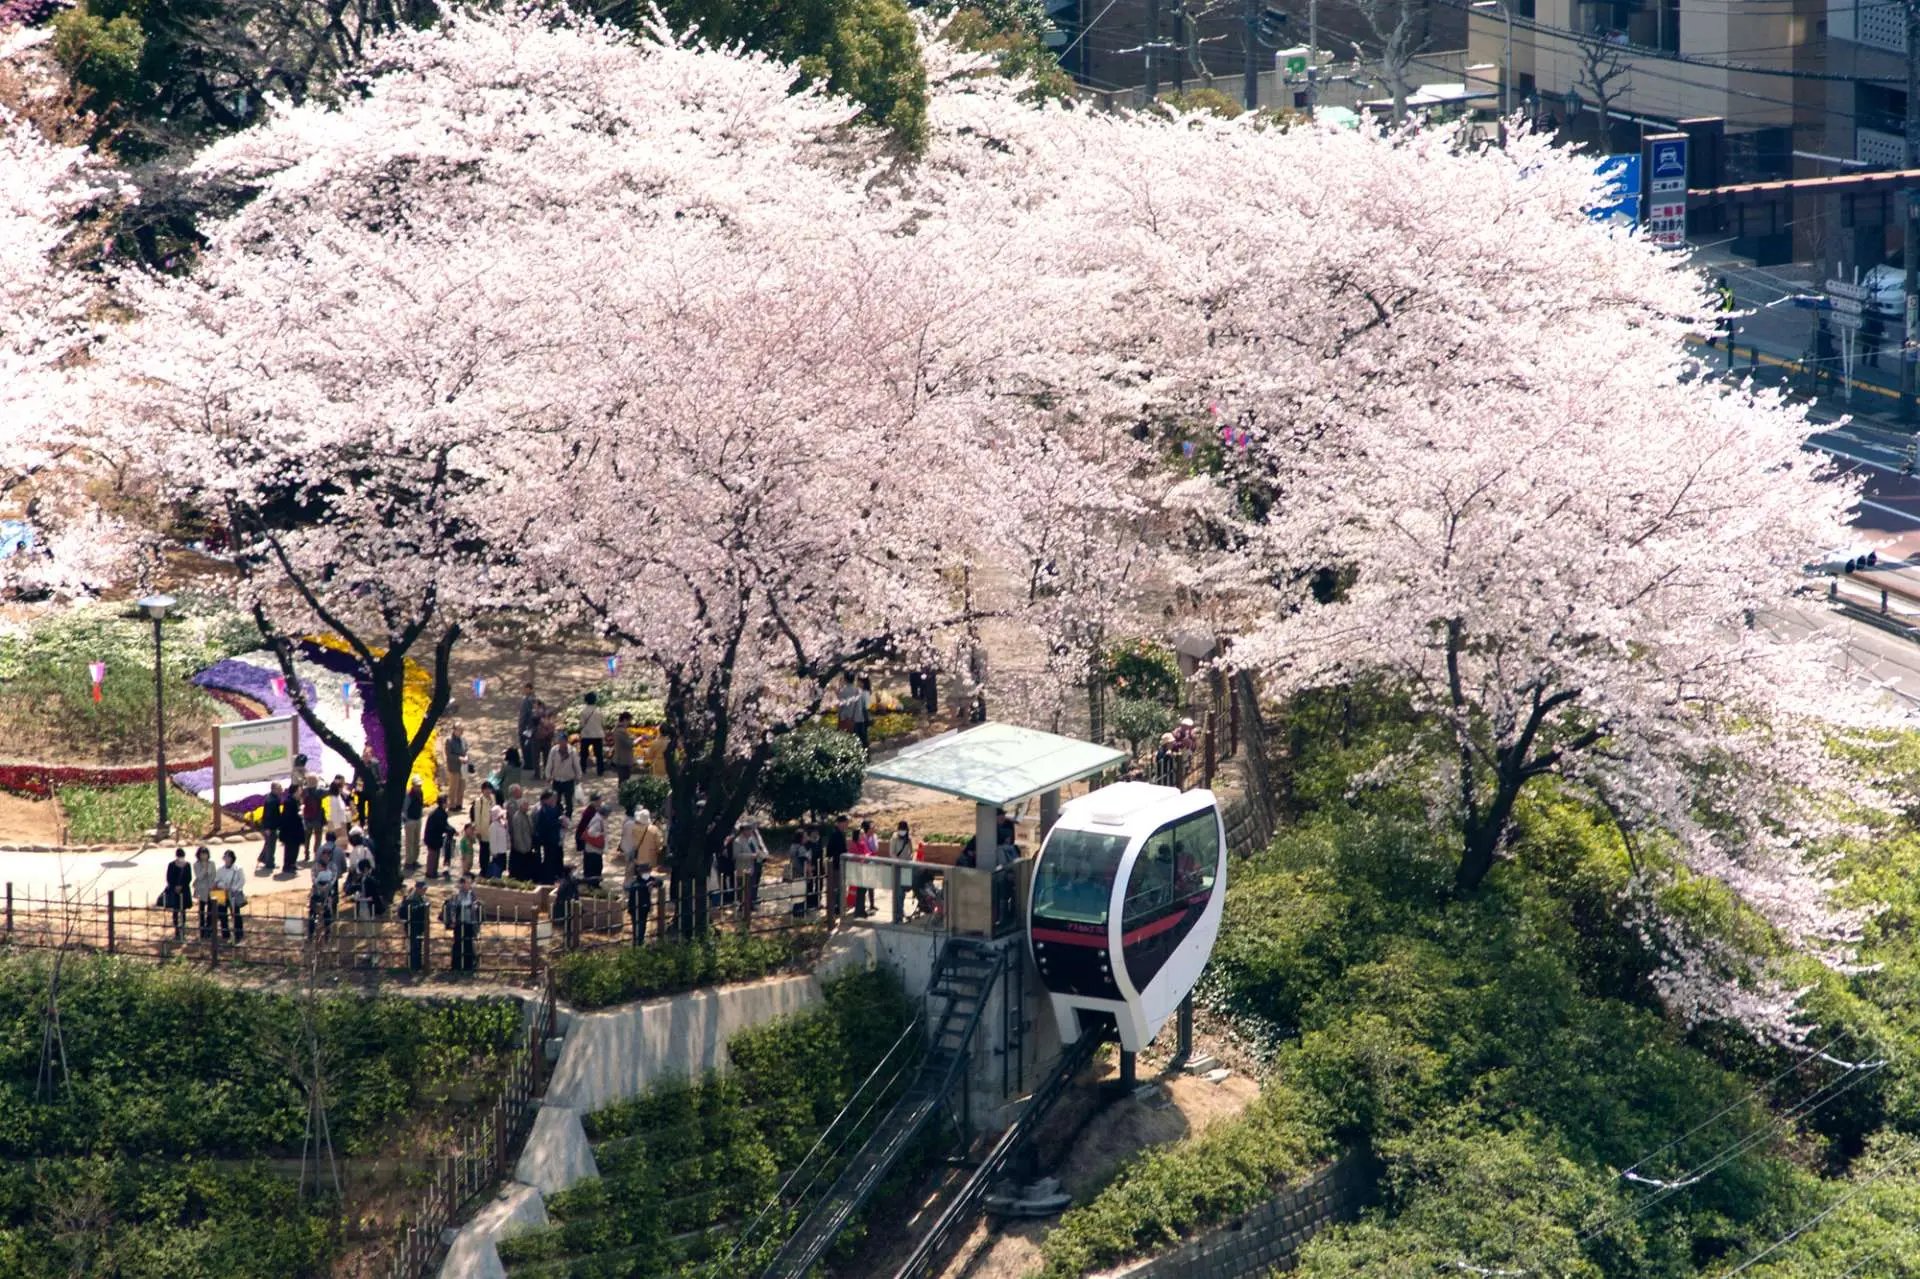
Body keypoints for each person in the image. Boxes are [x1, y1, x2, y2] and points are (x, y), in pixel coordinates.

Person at [442, 876, 481, 972]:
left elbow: (475, 906)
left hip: (470, 923)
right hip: (459, 923)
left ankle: (469, 966)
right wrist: (452, 921)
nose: (469, 885)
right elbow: (452, 909)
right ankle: (456, 966)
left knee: (469, 943)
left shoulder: (472, 894)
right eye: (468, 883)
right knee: (458, 944)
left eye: (470, 883)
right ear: (462, 884)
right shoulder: (456, 895)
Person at [398, 878, 431, 972]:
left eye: (425, 888)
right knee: (414, 946)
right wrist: (423, 906)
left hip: (420, 926)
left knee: (419, 946)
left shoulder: (422, 898)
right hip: (412, 925)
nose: (425, 890)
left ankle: (418, 965)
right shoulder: (411, 898)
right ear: (417, 888)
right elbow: (412, 911)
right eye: (423, 888)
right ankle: (413, 966)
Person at [214, 849, 247, 942]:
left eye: (228, 857)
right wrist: (222, 886)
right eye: (225, 856)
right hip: (222, 893)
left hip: (234, 893)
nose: (227, 859)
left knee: (236, 913)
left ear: (232, 858)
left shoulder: (238, 869)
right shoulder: (220, 869)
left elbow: (242, 880)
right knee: (222, 914)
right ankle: (225, 933)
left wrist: (234, 888)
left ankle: (238, 933)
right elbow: (217, 880)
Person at [547, 735, 582, 817]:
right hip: (557, 780)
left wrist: (578, 776)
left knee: (569, 801)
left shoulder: (572, 751)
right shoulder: (554, 750)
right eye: (559, 741)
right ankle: (559, 815)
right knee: (556, 800)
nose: (561, 743)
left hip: (568, 780)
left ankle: (568, 816)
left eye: (563, 741)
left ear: (566, 741)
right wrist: (548, 775)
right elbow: (549, 764)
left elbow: (576, 765)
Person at [534, 790, 565, 883]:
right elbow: (547, 824)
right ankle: (548, 879)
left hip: (554, 838)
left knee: (553, 858)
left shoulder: (552, 808)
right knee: (549, 859)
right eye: (551, 798)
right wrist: (559, 822)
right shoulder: (544, 810)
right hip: (549, 839)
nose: (553, 800)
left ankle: (552, 876)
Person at [163, 847, 193, 940]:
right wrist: (175, 886)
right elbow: (169, 877)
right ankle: (176, 929)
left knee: (183, 910)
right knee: (175, 911)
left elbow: (189, 878)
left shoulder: (187, 865)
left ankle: (183, 928)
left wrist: (182, 886)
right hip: (174, 890)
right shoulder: (171, 865)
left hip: (184, 890)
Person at [278, 780, 307, 874]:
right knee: (290, 849)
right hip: (290, 831)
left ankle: (293, 864)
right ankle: (287, 866)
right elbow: (289, 816)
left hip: (296, 830)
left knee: (295, 848)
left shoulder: (296, 800)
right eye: (299, 790)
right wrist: (299, 814)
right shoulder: (289, 801)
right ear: (295, 791)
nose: (301, 792)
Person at [509, 786, 537, 881]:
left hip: (528, 845)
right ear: (521, 806)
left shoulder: (527, 815)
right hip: (521, 848)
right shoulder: (517, 817)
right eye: (525, 805)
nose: (527, 807)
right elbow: (518, 834)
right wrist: (522, 848)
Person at [825, 815, 850, 921]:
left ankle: (839, 907)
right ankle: (835, 908)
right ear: (840, 823)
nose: (847, 825)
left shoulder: (841, 834)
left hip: (840, 864)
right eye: (846, 822)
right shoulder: (835, 834)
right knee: (836, 888)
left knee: (840, 887)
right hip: (835, 865)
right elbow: (831, 850)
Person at [424, 795, 453, 880]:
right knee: (432, 855)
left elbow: (445, 825)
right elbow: (442, 826)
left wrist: (452, 830)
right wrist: (451, 831)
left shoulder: (441, 812)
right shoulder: (438, 814)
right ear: (443, 803)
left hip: (435, 837)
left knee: (436, 854)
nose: (448, 803)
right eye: (446, 802)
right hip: (432, 837)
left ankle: (434, 872)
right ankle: (430, 873)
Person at [308, 858, 338, 940]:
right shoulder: (330, 873)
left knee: (314, 913)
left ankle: (311, 933)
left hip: (320, 895)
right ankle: (326, 934)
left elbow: (316, 881)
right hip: (326, 894)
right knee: (326, 913)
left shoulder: (321, 874)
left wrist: (321, 887)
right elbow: (331, 882)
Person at [552, 865, 580, 950]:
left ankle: (568, 942)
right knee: (566, 926)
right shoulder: (565, 882)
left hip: (569, 906)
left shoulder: (569, 881)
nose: (575, 873)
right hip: (564, 907)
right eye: (573, 871)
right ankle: (566, 944)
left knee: (568, 926)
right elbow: (561, 896)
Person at [257, 782, 284, 872]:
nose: (281, 790)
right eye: (279, 788)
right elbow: (268, 815)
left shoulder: (273, 798)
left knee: (268, 843)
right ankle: (270, 863)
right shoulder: (272, 800)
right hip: (270, 826)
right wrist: (267, 828)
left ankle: (263, 858)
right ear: (274, 789)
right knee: (271, 845)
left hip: (272, 825)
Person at [578, 693, 607, 777]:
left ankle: (582, 769)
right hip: (598, 734)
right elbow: (603, 723)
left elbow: (582, 724)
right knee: (599, 754)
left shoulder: (583, 711)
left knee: (584, 754)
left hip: (586, 735)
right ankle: (600, 771)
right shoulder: (599, 711)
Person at [580, 797, 607, 886]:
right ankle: (593, 886)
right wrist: (601, 835)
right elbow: (591, 832)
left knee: (593, 870)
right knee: (594, 870)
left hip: (592, 850)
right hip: (593, 850)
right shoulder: (598, 820)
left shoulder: (598, 818)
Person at [191, 846, 216, 938]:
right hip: (201, 890)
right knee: (201, 911)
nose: (204, 856)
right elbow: (199, 876)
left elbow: (213, 875)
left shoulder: (212, 863)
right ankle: (202, 930)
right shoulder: (196, 864)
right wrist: (204, 868)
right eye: (202, 854)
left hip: (211, 889)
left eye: (205, 854)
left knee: (210, 910)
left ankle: (209, 929)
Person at [444, 722, 470, 810]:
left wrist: (466, 757)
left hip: (463, 767)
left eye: (462, 730)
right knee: (453, 787)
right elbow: (449, 755)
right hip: (454, 767)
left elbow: (466, 750)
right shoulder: (449, 740)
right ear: (454, 730)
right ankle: (452, 805)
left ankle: (459, 804)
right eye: (460, 730)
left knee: (462, 787)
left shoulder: (463, 740)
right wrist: (459, 758)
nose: (461, 732)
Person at [403, 775, 426, 872]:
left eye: (420, 785)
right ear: (413, 785)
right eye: (417, 785)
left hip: (418, 819)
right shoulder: (409, 795)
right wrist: (406, 819)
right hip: (410, 820)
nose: (419, 787)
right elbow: (404, 808)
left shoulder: (420, 793)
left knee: (416, 841)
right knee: (410, 842)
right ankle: (409, 862)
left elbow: (421, 805)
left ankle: (415, 860)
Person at [625, 862, 652, 945]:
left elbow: (659, 881)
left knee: (642, 925)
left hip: (645, 907)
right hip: (635, 907)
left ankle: (640, 941)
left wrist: (654, 883)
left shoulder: (649, 879)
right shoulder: (635, 881)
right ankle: (636, 942)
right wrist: (646, 886)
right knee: (637, 926)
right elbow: (629, 887)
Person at [530, 700, 555, 781]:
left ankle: (537, 774)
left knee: (536, 758)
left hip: (537, 738)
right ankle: (546, 774)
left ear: (538, 705)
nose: (533, 706)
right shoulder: (548, 713)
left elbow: (532, 723)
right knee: (546, 757)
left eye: (535, 704)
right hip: (547, 739)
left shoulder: (535, 714)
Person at [517, 682, 539, 774]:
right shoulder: (531, 699)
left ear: (531, 689)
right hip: (528, 726)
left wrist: (522, 726)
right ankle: (529, 762)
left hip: (527, 726)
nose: (525, 690)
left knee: (526, 745)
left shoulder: (529, 700)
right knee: (527, 745)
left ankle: (529, 763)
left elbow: (526, 714)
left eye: (526, 688)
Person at [323, 777, 353, 842]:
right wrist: (338, 828)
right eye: (340, 787)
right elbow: (334, 815)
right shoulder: (333, 799)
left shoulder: (338, 797)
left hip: (342, 824)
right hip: (338, 827)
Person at [610, 711, 636, 784]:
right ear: (624, 720)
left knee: (624, 778)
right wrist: (634, 739)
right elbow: (629, 744)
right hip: (623, 758)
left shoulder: (619, 730)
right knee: (624, 779)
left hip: (621, 758)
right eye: (629, 721)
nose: (629, 723)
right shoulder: (621, 731)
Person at [488, 796, 510, 879]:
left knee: (502, 868)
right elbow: (493, 841)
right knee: (497, 869)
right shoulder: (493, 826)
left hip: (503, 850)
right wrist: (494, 853)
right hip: (497, 853)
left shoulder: (502, 824)